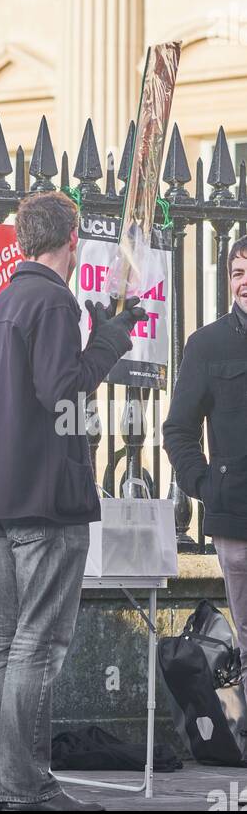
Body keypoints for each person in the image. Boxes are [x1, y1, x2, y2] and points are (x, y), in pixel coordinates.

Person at [0, 192, 146, 813]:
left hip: (1, 498)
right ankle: (26, 786)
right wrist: (110, 342)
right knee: (35, 646)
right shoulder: (51, 300)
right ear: (72, 238)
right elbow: (62, 392)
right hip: (45, 500)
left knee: (1, 645)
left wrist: (93, 336)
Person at [163, 233, 247, 703]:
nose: (244, 282)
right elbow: (178, 429)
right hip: (236, 518)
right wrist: (206, 485)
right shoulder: (207, 344)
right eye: (237, 273)